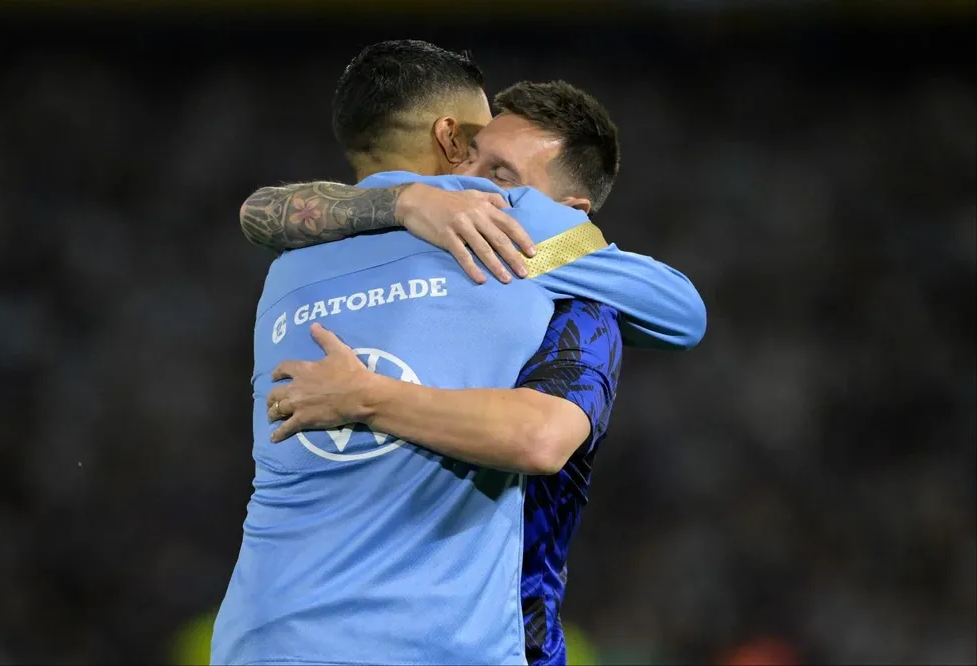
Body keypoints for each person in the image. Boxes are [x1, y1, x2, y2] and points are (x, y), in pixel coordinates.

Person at [212, 41, 705, 666]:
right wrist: (536, 248)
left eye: (497, 168)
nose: (474, 171)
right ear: (449, 138)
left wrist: (401, 201)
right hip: (430, 642)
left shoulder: (291, 257)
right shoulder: (512, 218)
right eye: (474, 146)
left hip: (261, 636)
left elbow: (258, 211)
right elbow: (684, 313)